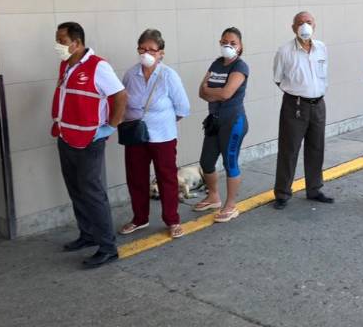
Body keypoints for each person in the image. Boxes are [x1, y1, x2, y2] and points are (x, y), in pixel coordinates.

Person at [51, 21, 128, 268]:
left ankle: (107, 247)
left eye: (62, 41)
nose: (58, 45)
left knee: (92, 193)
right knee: (75, 190)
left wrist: (110, 127)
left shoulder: (98, 66)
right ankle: (88, 234)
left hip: (88, 141)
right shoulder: (66, 65)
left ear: (77, 42)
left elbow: (120, 96)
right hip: (65, 137)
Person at [119, 29, 190, 239]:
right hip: (135, 136)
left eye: (152, 49)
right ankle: (139, 218)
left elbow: (182, 108)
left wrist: (162, 122)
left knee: (166, 177)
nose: (146, 53)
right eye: (142, 48)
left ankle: (172, 219)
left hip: (163, 136)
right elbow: (122, 103)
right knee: (136, 178)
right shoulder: (130, 75)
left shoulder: (168, 75)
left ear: (161, 53)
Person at [272, 11, 333, 210]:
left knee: (316, 148)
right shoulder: (285, 51)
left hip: (318, 104)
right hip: (295, 105)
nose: (304, 26)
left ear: (314, 25)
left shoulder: (321, 48)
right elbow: (278, 78)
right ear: (293, 27)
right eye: (300, 23)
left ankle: (314, 189)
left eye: (308, 22)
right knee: (289, 149)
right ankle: (282, 193)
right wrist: (297, 93)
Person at [193, 27, 250, 223]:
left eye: (233, 43)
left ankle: (231, 205)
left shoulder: (240, 67)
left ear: (240, 47)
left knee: (230, 162)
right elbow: (201, 92)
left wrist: (212, 91)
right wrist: (214, 91)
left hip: (233, 122)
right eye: (224, 42)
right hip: (214, 121)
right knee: (206, 161)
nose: (228, 45)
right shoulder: (217, 63)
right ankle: (213, 196)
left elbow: (227, 94)